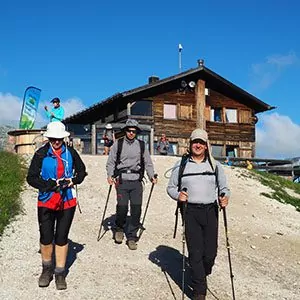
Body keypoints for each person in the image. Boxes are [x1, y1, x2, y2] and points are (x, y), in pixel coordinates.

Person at [167, 128, 230, 300]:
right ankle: (199, 291)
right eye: (195, 142)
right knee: (195, 252)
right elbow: (171, 188)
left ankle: (201, 272)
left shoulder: (214, 165)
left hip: (211, 211)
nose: (198, 145)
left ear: (206, 145)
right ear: (190, 144)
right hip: (190, 211)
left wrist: (224, 198)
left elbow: (224, 188)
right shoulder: (181, 165)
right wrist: (178, 196)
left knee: (210, 254)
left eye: (201, 142)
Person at [26, 121, 86, 290]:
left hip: (67, 200)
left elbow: (82, 171)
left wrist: (72, 181)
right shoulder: (41, 154)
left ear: (63, 138)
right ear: (49, 138)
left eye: (59, 138)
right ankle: (46, 270)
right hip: (46, 200)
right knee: (46, 236)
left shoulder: (71, 153)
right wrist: (48, 185)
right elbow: (31, 178)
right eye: (53, 138)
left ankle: (60, 273)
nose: (56, 141)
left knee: (61, 237)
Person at [106, 119, 157, 250]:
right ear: (125, 131)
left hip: (136, 181)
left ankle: (132, 236)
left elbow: (148, 162)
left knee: (136, 209)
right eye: (129, 131)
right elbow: (111, 161)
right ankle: (119, 228)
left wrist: (152, 176)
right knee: (122, 207)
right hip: (122, 180)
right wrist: (110, 175)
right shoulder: (118, 144)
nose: (131, 133)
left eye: (134, 131)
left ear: (136, 132)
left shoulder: (141, 145)